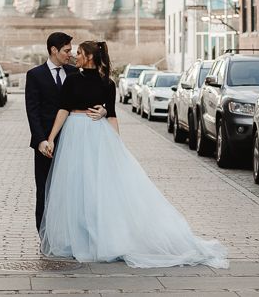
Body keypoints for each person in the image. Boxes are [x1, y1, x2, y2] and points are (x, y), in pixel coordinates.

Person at [40, 40, 228, 269]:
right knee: (76, 187)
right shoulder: (71, 79)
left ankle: (100, 238)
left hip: (97, 137)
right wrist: (50, 138)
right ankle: (78, 239)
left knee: (97, 189)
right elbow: (63, 109)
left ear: (89, 57)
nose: (75, 56)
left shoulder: (107, 84)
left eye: (79, 53)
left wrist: (116, 146)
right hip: (74, 135)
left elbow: (112, 117)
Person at [25, 32, 106, 232]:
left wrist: (104, 110)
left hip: (73, 141)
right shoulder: (35, 75)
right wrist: (41, 140)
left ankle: (70, 232)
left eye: (72, 51)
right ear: (54, 50)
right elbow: (32, 112)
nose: (70, 55)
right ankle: (44, 234)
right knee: (45, 189)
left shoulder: (75, 73)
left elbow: (93, 97)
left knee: (73, 189)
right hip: (46, 143)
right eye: (67, 50)